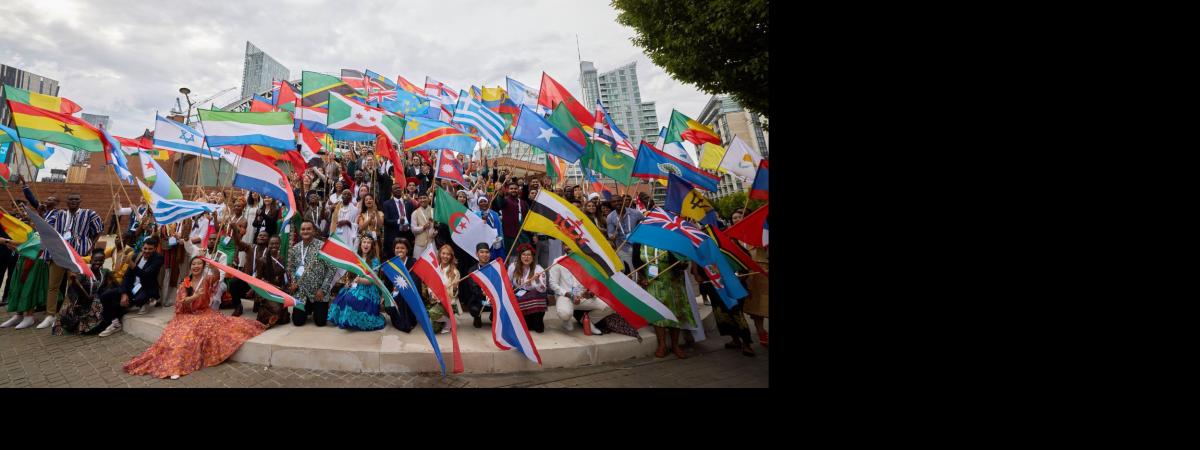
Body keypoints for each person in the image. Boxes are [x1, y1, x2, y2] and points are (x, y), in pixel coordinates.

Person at [123, 257, 267, 379]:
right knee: (181, 337)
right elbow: (181, 302)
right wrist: (194, 297)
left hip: (205, 313)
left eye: (199, 264)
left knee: (222, 328)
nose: (196, 266)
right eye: (194, 264)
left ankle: (178, 365)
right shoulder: (185, 283)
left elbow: (217, 277)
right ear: (190, 267)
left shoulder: (207, 280)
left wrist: (214, 268)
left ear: (203, 267)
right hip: (187, 316)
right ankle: (174, 365)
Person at [38, 192, 103, 329]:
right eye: (71, 199)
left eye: (76, 199)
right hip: (59, 252)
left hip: (77, 255)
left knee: (74, 285)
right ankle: (50, 315)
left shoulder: (89, 214)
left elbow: (99, 229)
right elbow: (45, 227)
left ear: (80, 201)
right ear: (66, 202)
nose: (73, 201)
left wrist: (91, 245)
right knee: (53, 285)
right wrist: (41, 213)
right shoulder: (58, 214)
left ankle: (69, 314)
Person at [639, 245, 694, 359]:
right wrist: (642, 277)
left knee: (675, 312)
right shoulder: (640, 239)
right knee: (658, 313)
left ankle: (675, 345)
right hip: (653, 283)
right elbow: (637, 260)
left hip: (673, 282)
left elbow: (682, 264)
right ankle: (662, 345)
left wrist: (683, 265)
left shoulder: (670, 239)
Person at [327, 235, 386, 331]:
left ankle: (352, 321)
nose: (366, 244)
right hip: (355, 285)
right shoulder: (356, 257)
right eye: (364, 242)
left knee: (352, 299)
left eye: (368, 243)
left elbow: (372, 280)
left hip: (368, 289)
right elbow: (352, 276)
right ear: (360, 244)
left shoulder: (374, 260)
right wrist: (349, 283)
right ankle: (344, 319)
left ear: (372, 245)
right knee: (342, 296)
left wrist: (360, 280)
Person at [52, 249, 115, 336]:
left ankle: (95, 325)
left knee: (98, 299)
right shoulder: (83, 272)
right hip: (82, 301)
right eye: (95, 260)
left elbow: (113, 284)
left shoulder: (105, 272)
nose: (98, 262)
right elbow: (75, 289)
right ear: (91, 260)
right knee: (72, 295)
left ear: (104, 261)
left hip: (95, 303)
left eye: (101, 260)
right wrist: (74, 281)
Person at [548, 247, 610, 335]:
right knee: (565, 314)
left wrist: (591, 292)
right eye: (566, 244)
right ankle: (566, 320)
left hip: (581, 296)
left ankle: (588, 321)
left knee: (609, 306)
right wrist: (570, 295)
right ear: (563, 245)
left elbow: (591, 282)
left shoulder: (585, 261)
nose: (569, 246)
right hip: (565, 296)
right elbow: (553, 284)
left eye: (571, 244)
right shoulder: (558, 261)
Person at [288, 220, 334, 326]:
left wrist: (323, 289)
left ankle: (316, 308)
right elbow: (293, 268)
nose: (306, 231)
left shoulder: (323, 247)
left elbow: (332, 269)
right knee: (298, 322)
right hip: (301, 292)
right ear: (300, 231)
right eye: (303, 229)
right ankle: (307, 308)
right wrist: (294, 283)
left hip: (319, 293)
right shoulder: (295, 248)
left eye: (308, 229)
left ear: (314, 231)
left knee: (320, 322)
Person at [381, 238, 420, 332]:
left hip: (410, 294)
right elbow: (387, 283)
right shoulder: (390, 264)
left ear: (407, 250)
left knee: (403, 297)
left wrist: (403, 288)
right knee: (391, 305)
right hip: (394, 294)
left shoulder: (413, 262)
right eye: (397, 248)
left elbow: (416, 281)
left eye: (402, 248)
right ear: (394, 249)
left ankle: (408, 322)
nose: (399, 250)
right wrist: (385, 295)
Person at [507, 243, 548, 333]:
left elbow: (543, 289)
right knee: (525, 326)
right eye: (524, 255)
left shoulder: (538, 269)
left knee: (536, 294)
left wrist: (537, 281)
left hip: (534, 295)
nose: (526, 257)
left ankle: (537, 320)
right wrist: (509, 293)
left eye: (529, 255)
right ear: (520, 256)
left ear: (532, 257)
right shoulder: (513, 267)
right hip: (519, 294)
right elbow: (508, 282)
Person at [254, 235, 291, 328]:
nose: (274, 245)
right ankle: (265, 314)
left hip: (279, 290)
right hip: (267, 291)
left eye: (276, 243)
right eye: (272, 243)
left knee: (283, 318)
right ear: (268, 245)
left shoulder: (282, 259)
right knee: (276, 308)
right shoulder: (262, 260)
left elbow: (283, 277)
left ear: (280, 245)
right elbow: (258, 279)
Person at [425, 244, 460, 333]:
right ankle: (444, 319)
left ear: (451, 256)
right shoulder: (435, 269)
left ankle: (449, 321)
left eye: (448, 254)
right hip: (435, 301)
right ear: (439, 254)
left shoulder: (455, 272)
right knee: (433, 330)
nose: (445, 256)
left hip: (448, 303)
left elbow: (454, 294)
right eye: (443, 253)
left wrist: (455, 288)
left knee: (432, 313)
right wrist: (432, 294)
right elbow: (430, 285)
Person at [457, 243, 493, 329]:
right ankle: (477, 317)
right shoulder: (472, 270)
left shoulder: (494, 267)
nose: (484, 255)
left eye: (487, 252)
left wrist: (492, 295)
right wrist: (483, 293)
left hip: (493, 298)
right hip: (479, 299)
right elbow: (473, 288)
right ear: (477, 254)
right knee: (474, 309)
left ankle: (493, 316)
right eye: (481, 252)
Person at [607, 195, 644, 277]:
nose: (617, 203)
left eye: (619, 201)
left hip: (637, 244)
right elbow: (610, 233)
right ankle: (633, 285)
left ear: (623, 201)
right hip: (622, 246)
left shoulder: (635, 213)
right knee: (629, 270)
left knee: (639, 266)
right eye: (614, 202)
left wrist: (639, 231)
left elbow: (645, 223)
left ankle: (642, 281)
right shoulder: (610, 217)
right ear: (611, 204)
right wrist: (612, 236)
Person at [491, 181, 529, 255]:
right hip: (510, 235)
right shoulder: (505, 200)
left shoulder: (523, 202)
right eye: (511, 188)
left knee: (524, 255)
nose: (513, 190)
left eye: (515, 188)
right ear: (508, 190)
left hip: (523, 235)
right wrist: (500, 192)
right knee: (512, 257)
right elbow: (500, 202)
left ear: (518, 190)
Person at [381, 185, 414, 261]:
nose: (398, 189)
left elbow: (411, 219)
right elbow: (385, 220)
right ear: (392, 192)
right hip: (393, 236)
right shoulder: (387, 204)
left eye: (399, 188)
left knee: (406, 258)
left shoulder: (408, 203)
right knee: (394, 259)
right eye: (395, 188)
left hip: (407, 235)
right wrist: (398, 221)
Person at [409, 192, 435, 258]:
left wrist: (436, 231)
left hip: (432, 242)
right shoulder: (415, 213)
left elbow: (438, 225)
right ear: (418, 200)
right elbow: (413, 229)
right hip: (419, 244)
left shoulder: (434, 211)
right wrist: (423, 227)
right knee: (418, 263)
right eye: (420, 198)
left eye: (424, 198)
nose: (422, 200)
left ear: (428, 199)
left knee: (432, 265)